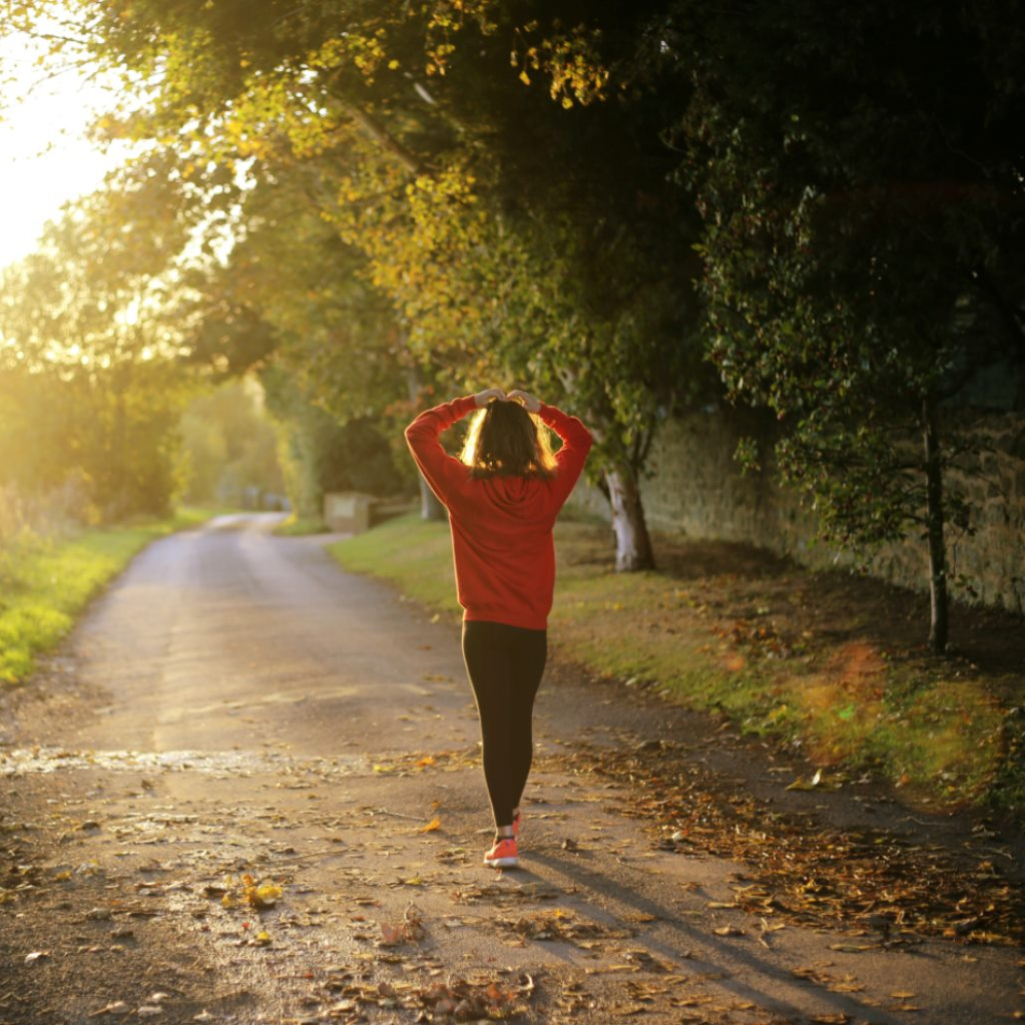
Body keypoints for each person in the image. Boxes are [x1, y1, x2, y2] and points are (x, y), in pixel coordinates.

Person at [404, 387, 593, 868]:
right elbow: (581, 438)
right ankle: (509, 815)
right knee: (519, 723)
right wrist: (541, 410)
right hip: (530, 629)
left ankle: (504, 835)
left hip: (483, 629)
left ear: (482, 440)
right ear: (530, 442)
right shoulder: (548, 489)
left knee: (495, 725)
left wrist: (469, 403)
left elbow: (418, 432)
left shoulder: (462, 487)